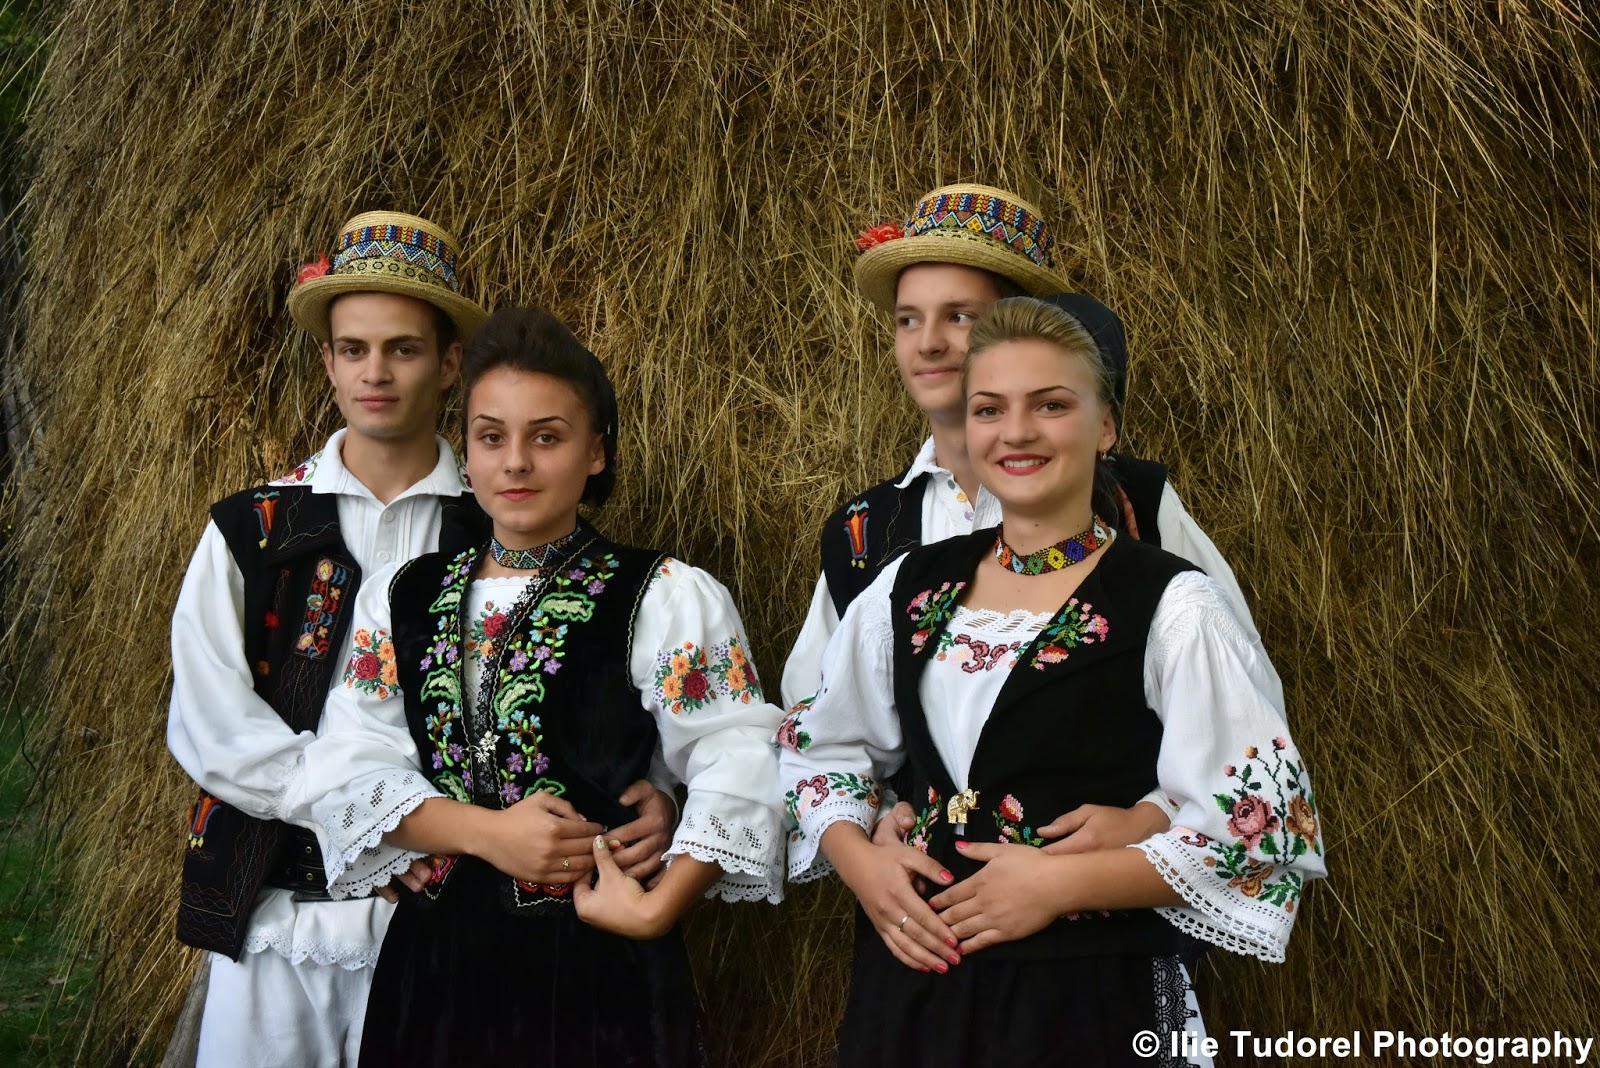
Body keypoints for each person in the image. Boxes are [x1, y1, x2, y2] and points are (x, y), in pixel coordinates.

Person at [166, 214, 677, 1066]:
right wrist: (386, 821)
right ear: (326, 361)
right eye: (354, 348)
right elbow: (213, 728)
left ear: (448, 365)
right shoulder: (253, 528)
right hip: (279, 915)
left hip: (456, 927)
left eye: (403, 348)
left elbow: (598, 682)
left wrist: (654, 790)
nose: (376, 371)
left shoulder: (510, 521)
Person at [777, 295, 1326, 1068]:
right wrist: (860, 860)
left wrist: (1061, 886)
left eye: (1052, 404)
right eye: (990, 408)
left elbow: (1266, 831)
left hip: (1088, 999)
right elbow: (817, 745)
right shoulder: (906, 585)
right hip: (908, 992)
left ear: (1105, 427)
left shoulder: (1171, 605)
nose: (1018, 432)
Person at [282, 306, 786, 1066]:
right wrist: (487, 834)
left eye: (545, 436)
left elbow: (739, 756)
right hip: (436, 967)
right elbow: (350, 763)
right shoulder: (402, 595)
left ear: (595, 453)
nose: (515, 462)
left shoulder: (663, 595)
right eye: (491, 436)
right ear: (470, 450)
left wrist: (659, 907)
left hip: (595, 964)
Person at [783, 183, 1253, 859]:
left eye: (961, 316)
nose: (932, 343)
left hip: (1092, 886)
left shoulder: (1132, 501)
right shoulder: (867, 530)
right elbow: (816, 712)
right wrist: (873, 815)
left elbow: (1231, 693)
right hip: (928, 897)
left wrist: (1150, 815)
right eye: (908, 320)